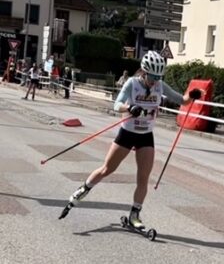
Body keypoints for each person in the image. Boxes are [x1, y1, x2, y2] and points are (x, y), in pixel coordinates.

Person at [60, 51, 202, 229]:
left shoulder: (160, 85)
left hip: (145, 135)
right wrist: (130, 107)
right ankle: (84, 188)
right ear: (144, 71)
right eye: (152, 76)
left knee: (143, 178)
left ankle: (135, 215)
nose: (155, 80)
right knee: (107, 169)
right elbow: (117, 104)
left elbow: (182, 100)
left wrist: (193, 94)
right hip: (127, 133)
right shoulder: (132, 83)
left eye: (158, 77)